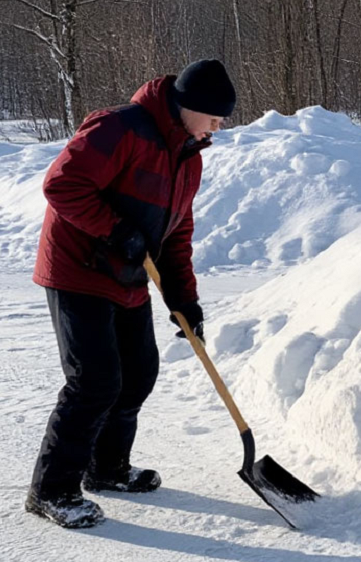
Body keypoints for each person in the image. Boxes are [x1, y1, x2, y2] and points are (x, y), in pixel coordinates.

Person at [25, 59, 235, 529]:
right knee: (95, 381)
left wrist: (184, 298)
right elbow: (62, 184)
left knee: (138, 373)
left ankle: (107, 469)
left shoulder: (188, 156)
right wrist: (116, 229)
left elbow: (176, 234)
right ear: (190, 106)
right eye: (215, 117)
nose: (218, 128)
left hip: (128, 274)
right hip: (78, 269)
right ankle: (52, 490)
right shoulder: (119, 127)